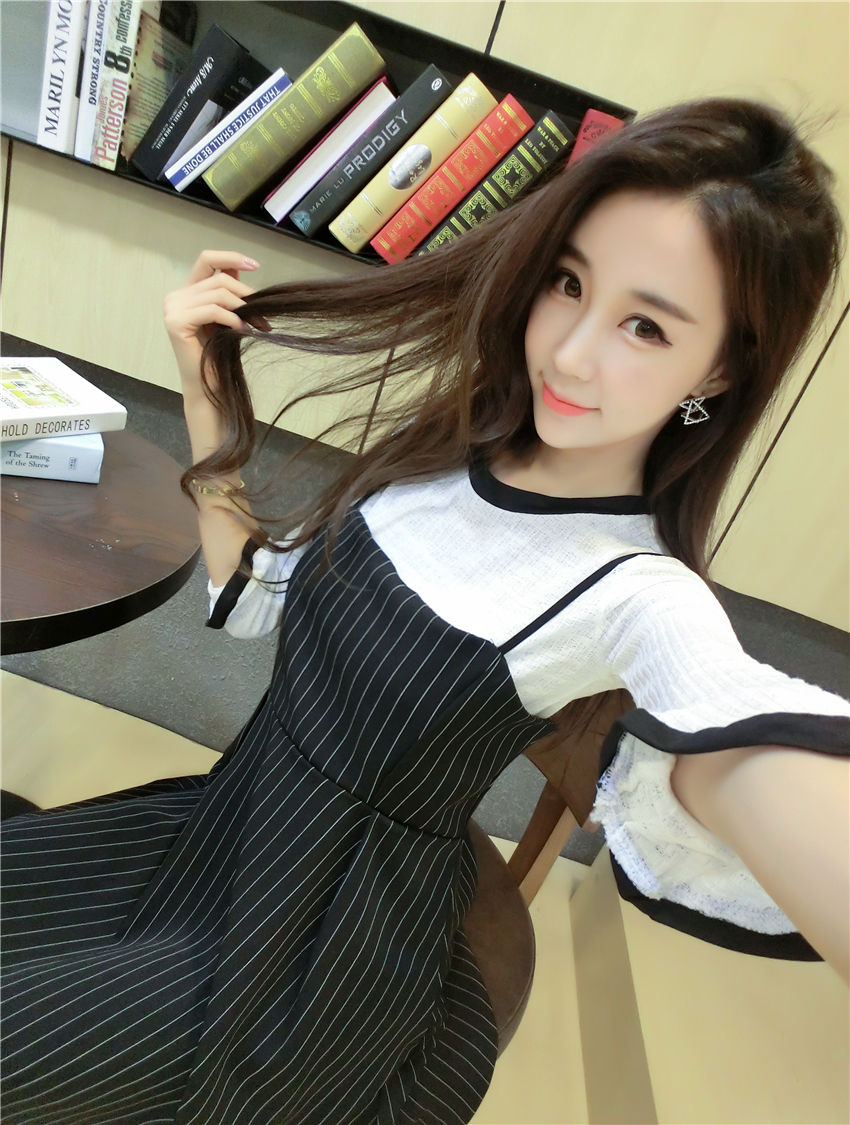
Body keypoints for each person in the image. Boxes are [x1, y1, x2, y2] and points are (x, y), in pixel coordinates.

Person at [2, 96, 848, 1125]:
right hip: (218, 835)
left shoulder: (640, 594)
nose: (570, 354)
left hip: (313, 958)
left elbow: (743, 735)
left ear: (718, 368)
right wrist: (205, 387)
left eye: (644, 325)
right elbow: (255, 599)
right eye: (568, 282)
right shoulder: (452, 452)